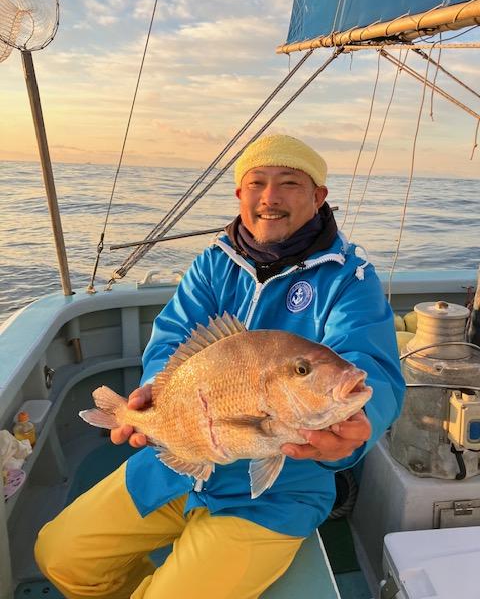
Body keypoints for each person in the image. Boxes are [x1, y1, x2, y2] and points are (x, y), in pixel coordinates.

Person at [35, 134, 405, 599]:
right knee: (61, 555)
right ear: (240, 195)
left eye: (289, 183)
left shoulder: (349, 278)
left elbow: (366, 361)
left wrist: (359, 423)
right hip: (178, 461)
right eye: (257, 183)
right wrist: (154, 393)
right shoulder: (213, 264)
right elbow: (173, 339)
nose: (270, 197)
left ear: (318, 197)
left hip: (279, 491)